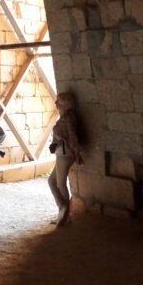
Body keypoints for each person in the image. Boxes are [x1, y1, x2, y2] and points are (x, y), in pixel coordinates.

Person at [48, 92, 84, 226]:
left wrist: (76, 153)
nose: (56, 103)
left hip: (65, 153)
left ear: (66, 103)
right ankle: (62, 210)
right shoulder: (66, 116)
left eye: (59, 101)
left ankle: (65, 214)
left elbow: (72, 136)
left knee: (60, 183)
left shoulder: (68, 117)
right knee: (52, 181)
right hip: (61, 152)